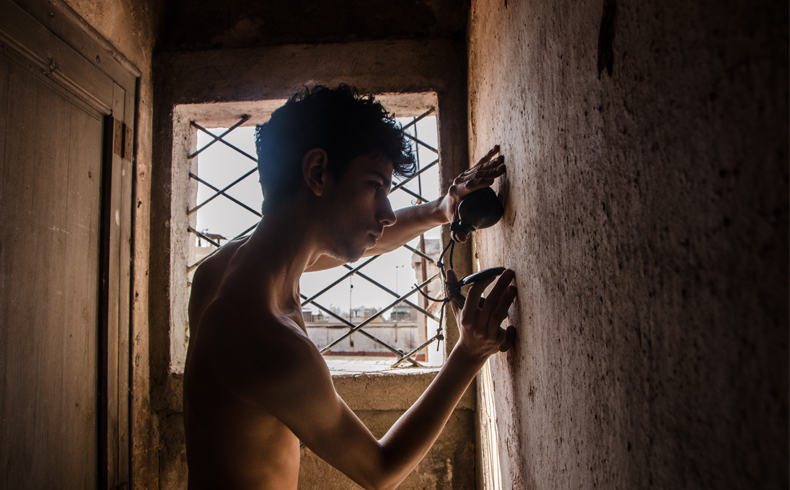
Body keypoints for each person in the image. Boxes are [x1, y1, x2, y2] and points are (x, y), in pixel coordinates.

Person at [184, 84, 517, 490]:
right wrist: (469, 353)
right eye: (375, 186)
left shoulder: (225, 271)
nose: (387, 213)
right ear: (318, 172)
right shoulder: (270, 345)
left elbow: (369, 242)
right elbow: (380, 470)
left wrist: (442, 209)